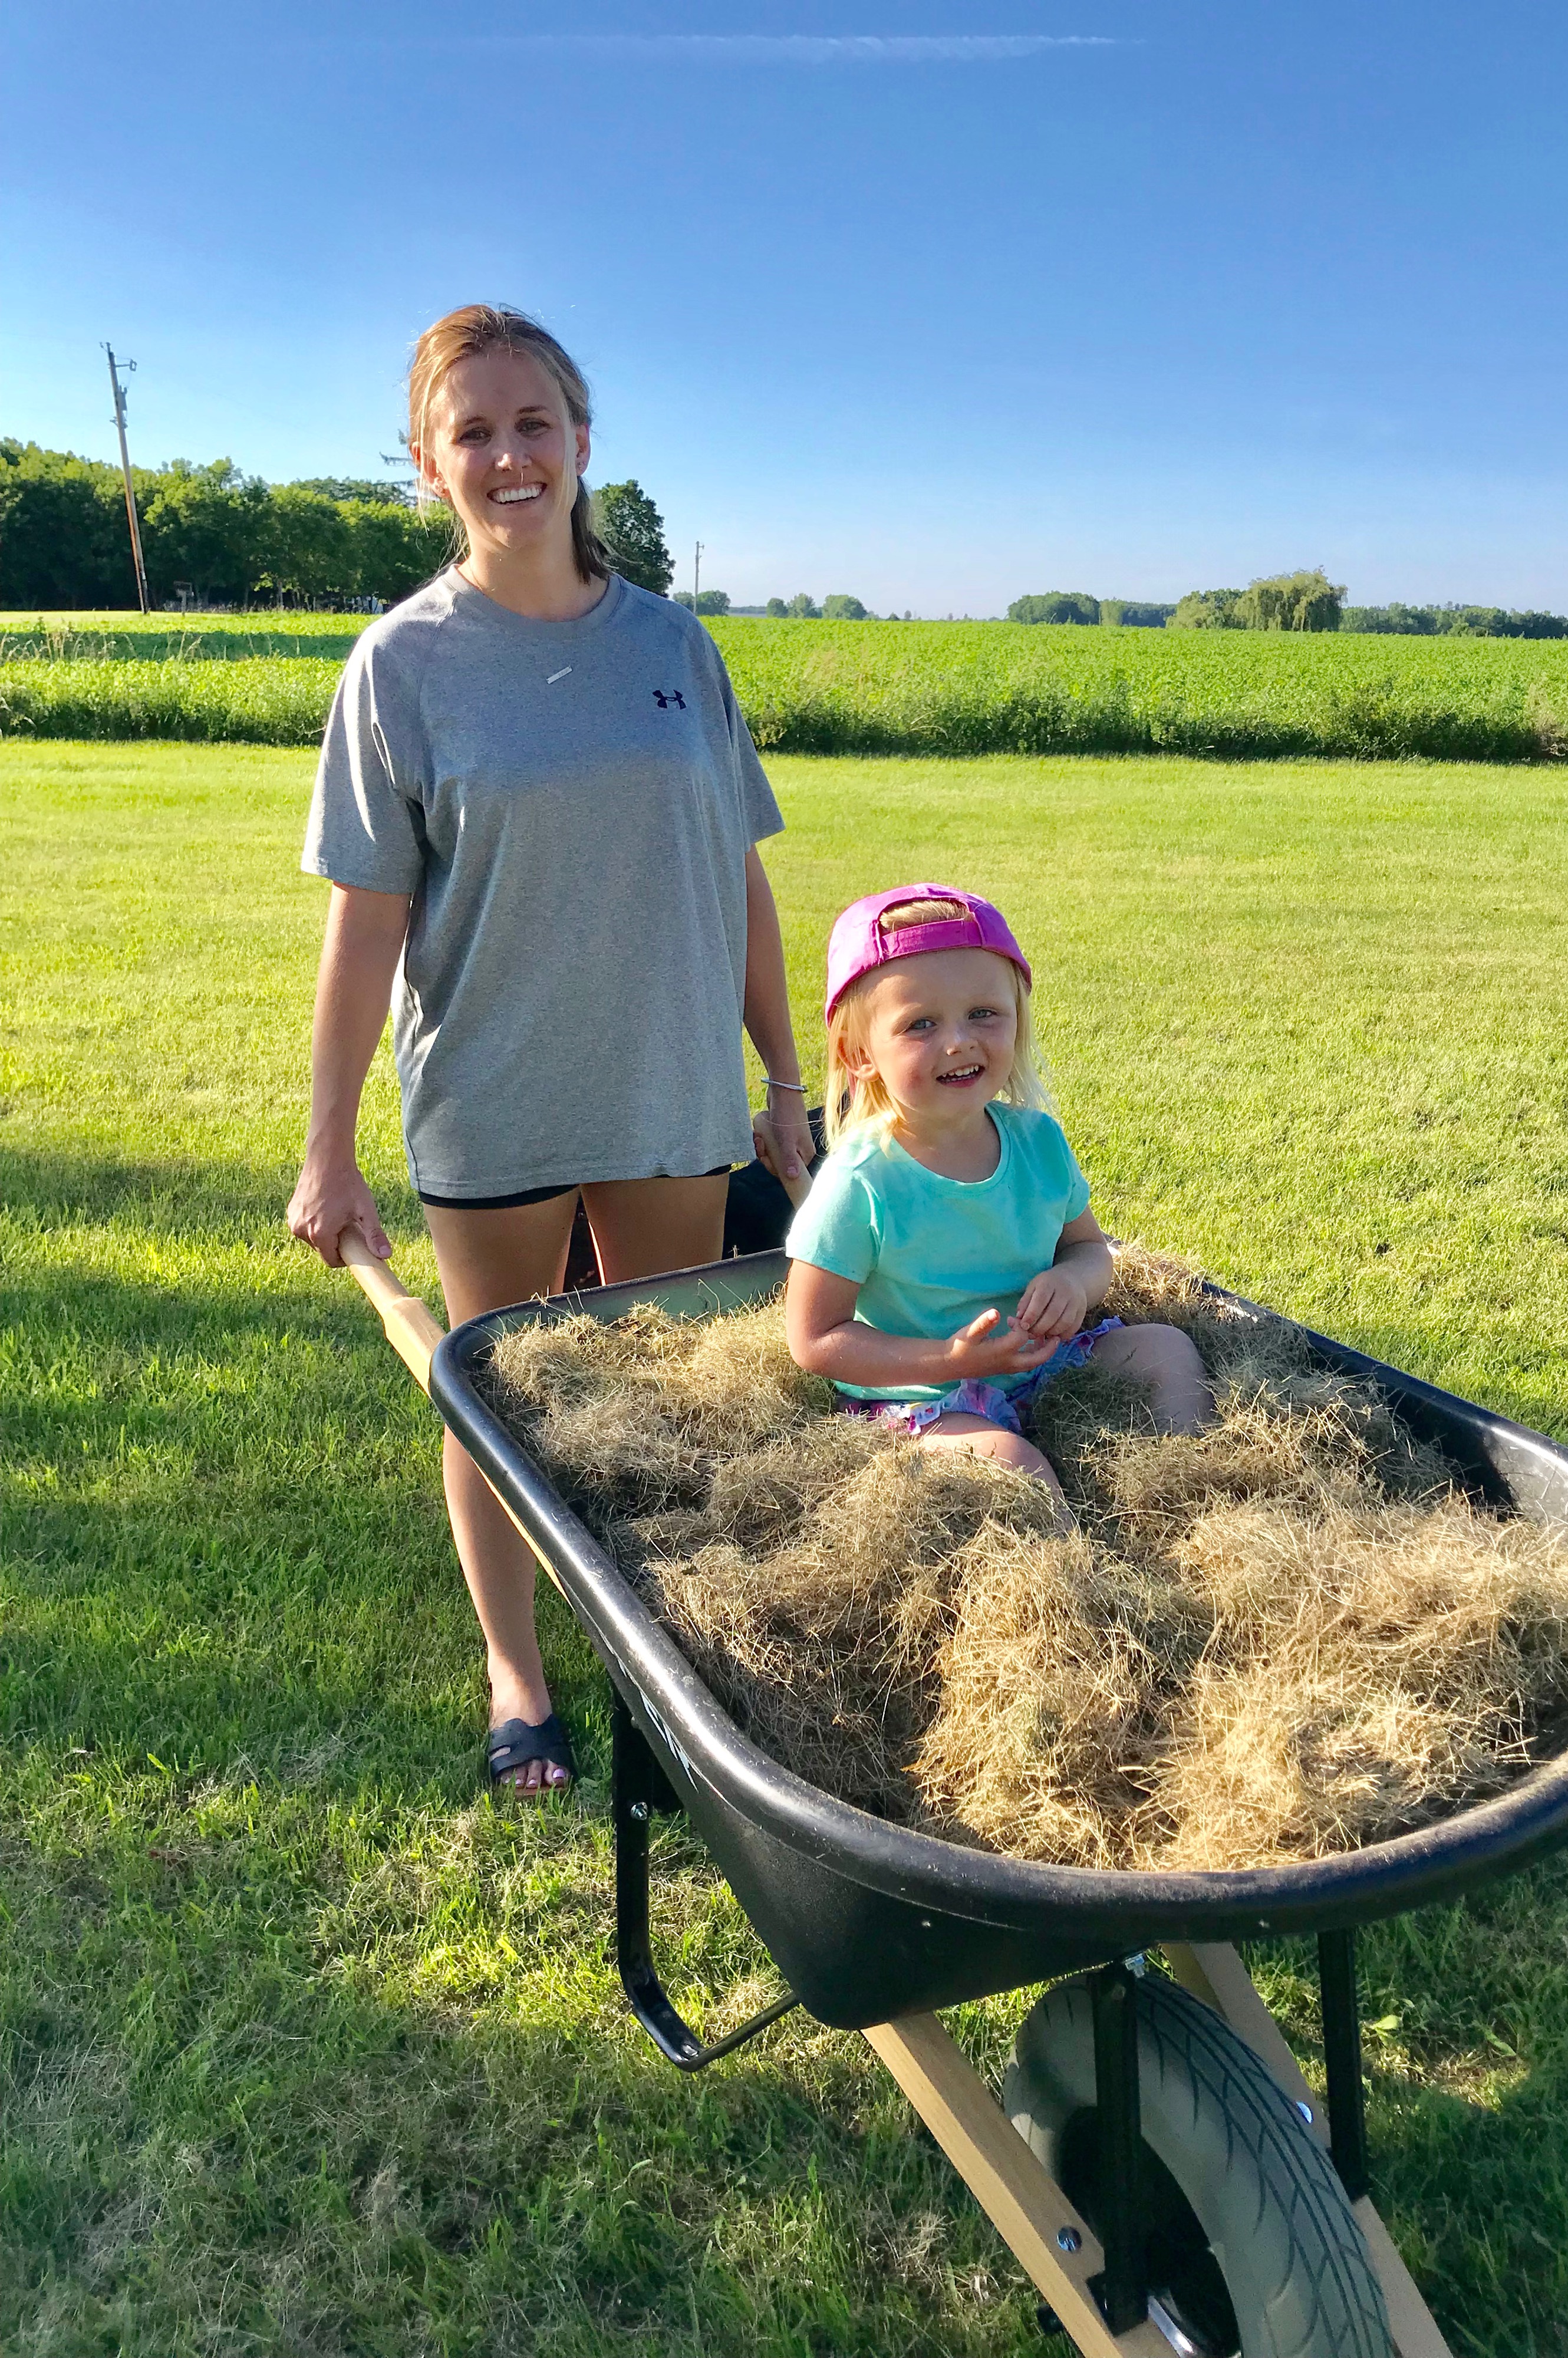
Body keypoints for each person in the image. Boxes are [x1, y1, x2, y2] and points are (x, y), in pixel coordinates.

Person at [286, 305, 813, 1796]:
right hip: (494, 1094)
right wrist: (328, 1150)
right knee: (501, 1394)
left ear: (582, 441)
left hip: (668, 1086)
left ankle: (663, 1666)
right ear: (428, 463)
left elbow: (739, 877)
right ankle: (517, 1670)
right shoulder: (400, 665)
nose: (508, 455)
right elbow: (365, 924)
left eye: (534, 424)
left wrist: (783, 1084)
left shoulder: (674, 645)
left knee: (663, 1389)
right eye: (473, 432)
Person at [782, 886, 1211, 1502]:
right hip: (929, 1396)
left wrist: (1072, 1283)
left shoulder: (1038, 1142)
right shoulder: (861, 1182)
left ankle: (1187, 1494)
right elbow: (814, 1338)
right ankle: (1069, 1555)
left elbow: (1089, 1249)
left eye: (983, 1013)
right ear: (860, 1054)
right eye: (921, 1024)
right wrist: (950, 1360)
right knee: (1014, 1463)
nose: (959, 1041)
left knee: (1166, 1350)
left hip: (1042, 1361)